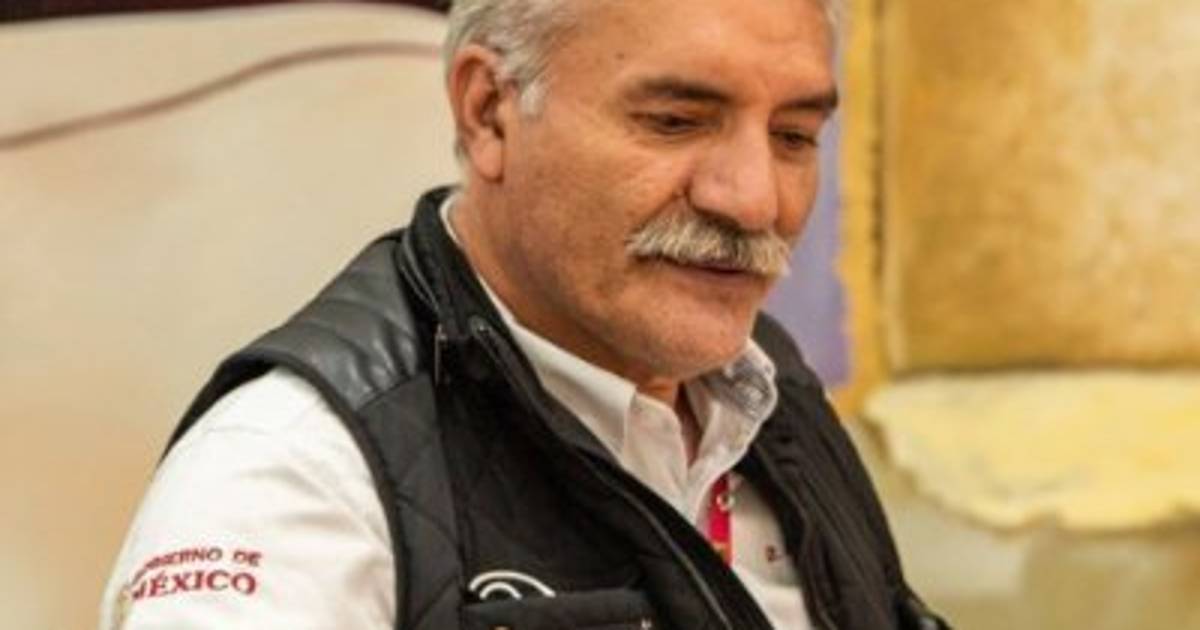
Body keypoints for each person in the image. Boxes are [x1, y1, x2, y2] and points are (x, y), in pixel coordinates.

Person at [101, 0, 950, 628]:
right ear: (489, 111)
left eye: (794, 136)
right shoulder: (294, 481)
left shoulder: (768, 392)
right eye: (676, 121)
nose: (754, 199)